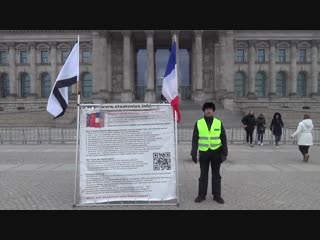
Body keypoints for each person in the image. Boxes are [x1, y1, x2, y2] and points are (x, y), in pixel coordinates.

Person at [190, 102, 228, 204]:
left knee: (216, 175)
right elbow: (195, 139)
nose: (208, 111)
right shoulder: (199, 123)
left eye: (210, 109)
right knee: (203, 175)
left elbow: (223, 138)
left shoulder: (218, 123)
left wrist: (225, 153)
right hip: (204, 153)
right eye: (207, 109)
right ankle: (201, 195)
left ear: (213, 110)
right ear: (204, 110)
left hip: (216, 152)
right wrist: (193, 153)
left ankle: (217, 196)